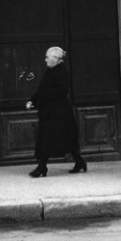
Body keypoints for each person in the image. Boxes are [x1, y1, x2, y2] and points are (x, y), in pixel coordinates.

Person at [26, 46, 87, 178]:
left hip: (58, 112)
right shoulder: (51, 71)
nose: (45, 60)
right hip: (51, 111)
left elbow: (61, 91)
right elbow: (42, 90)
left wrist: (41, 98)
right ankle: (79, 161)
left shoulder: (61, 72)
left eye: (47, 57)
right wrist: (33, 101)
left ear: (55, 59)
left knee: (50, 138)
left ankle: (42, 167)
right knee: (59, 139)